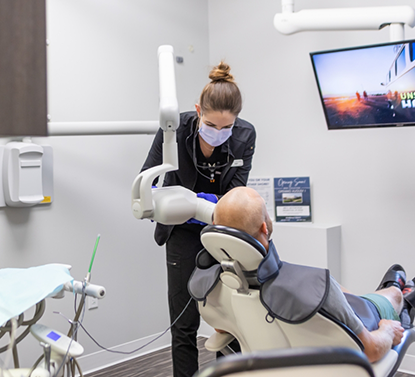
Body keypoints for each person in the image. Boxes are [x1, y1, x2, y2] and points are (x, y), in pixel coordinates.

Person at [140, 61, 256, 377]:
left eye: (226, 128)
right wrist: (156, 202)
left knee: (228, 321)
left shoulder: (245, 136)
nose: (218, 133)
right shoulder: (174, 129)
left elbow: (235, 195)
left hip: (222, 233)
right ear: (197, 111)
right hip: (181, 233)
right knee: (184, 323)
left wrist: (195, 203)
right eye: (211, 125)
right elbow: (147, 177)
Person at [215, 186, 412, 363]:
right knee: (393, 297)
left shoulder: (214, 288)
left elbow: (222, 328)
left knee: (344, 293)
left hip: (276, 363)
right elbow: (371, 350)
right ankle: (402, 294)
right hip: (351, 345)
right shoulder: (315, 286)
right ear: (265, 228)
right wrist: (387, 328)